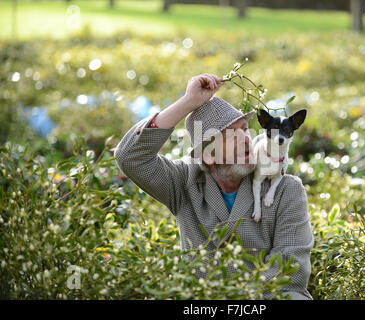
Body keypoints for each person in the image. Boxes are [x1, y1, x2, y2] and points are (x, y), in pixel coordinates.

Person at [114, 73, 314, 300]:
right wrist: (188, 102)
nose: (247, 139)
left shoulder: (286, 188)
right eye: (233, 134)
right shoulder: (183, 182)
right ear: (208, 155)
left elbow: (291, 270)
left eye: (245, 129)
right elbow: (130, 157)